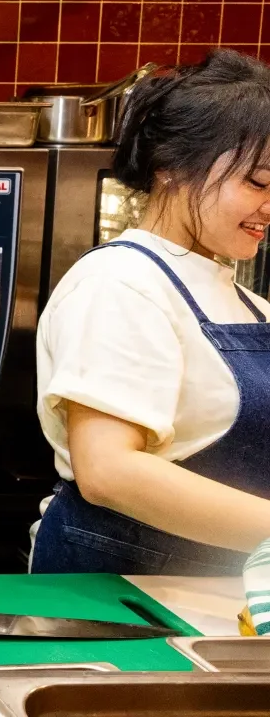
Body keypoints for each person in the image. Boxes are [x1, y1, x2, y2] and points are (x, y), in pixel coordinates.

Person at [32, 50, 270, 576]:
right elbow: (109, 470)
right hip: (124, 600)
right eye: (257, 182)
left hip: (215, 596)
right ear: (170, 166)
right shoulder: (120, 283)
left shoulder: (249, 304)